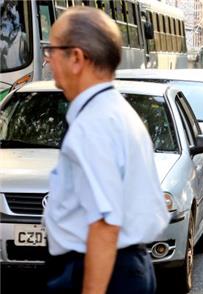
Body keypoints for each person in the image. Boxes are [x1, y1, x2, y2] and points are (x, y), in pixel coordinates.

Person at [43, 7, 169, 294]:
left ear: (76, 57)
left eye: (52, 50)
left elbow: (104, 225)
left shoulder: (94, 124)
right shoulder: (115, 111)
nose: (48, 60)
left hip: (101, 270)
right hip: (124, 266)